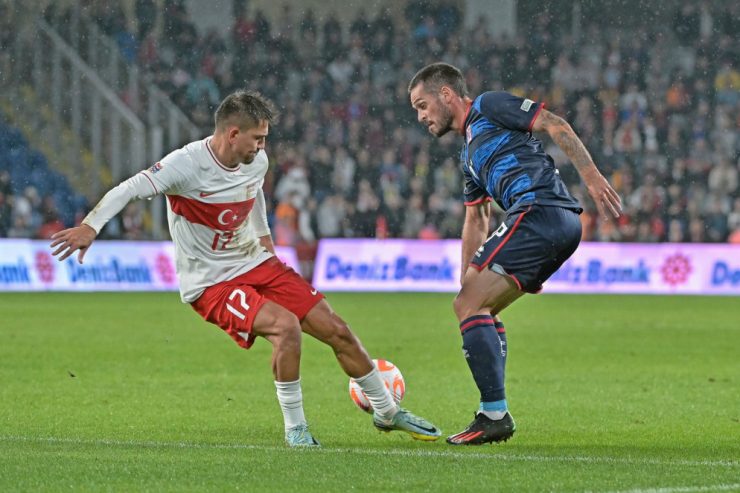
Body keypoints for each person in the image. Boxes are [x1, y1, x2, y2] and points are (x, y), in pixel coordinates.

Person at [50, 89, 441, 447]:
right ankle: (297, 430)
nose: (263, 146)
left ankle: (388, 412)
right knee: (286, 327)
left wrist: (265, 240)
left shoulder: (257, 162)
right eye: (258, 138)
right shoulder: (185, 165)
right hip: (211, 281)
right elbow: (130, 187)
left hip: (255, 261)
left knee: (335, 328)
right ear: (232, 133)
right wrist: (91, 225)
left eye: (265, 138)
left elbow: (253, 198)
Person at [407, 63, 622, 445]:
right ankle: (494, 409)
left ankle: (494, 415)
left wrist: (590, 177)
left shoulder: (488, 107)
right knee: (477, 306)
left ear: (446, 95)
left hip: (541, 211)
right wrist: (468, 281)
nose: (421, 116)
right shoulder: (468, 155)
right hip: (553, 223)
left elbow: (556, 124)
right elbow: (477, 216)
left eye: (422, 105)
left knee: (470, 307)